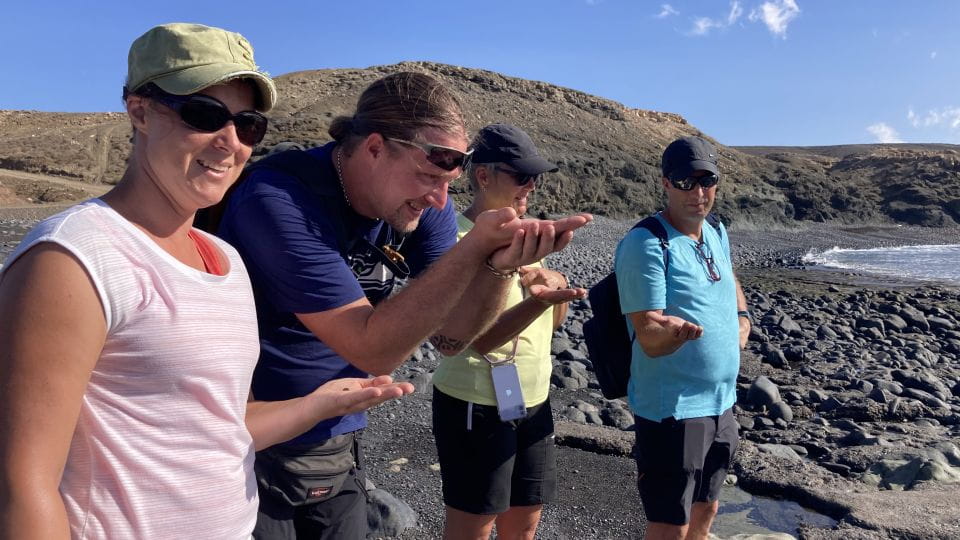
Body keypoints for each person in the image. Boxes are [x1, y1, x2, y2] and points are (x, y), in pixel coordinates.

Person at [0, 23, 412, 540]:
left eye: (248, 125)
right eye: (204, 114)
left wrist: (321, 403)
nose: (230, 141)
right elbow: (22, 487)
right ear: (139, 111)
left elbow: (216, 428)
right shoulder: (73, 259)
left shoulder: (224, 260)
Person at [216, 75, 592, 539]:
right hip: (246, 442)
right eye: (430, 178)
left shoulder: (423, 206)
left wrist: (496, 269)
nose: (439, 199)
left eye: (448, 183)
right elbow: (371, 349)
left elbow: (452, 340)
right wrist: (473, 249)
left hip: (338, 434)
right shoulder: (280, 200)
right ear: (374, 147)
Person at [431, 124, 585, 540]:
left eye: (535, 178)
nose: (530, 187)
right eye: (521, 176)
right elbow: (477, 338)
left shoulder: (529, 237)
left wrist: (553, 285)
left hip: (531, 397)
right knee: (474, 525)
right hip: (475, 400)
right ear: (483, 176)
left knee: (526, 518)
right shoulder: (453, 240)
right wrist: (539, 298)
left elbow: (551, 325)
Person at [614, 136, 750, 540]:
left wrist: (742, 316)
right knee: (670, 522)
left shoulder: (716, 232)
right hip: (672, 410)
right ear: (666, 184)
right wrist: (674, 336)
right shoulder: (646, 243)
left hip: (722, 402)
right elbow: (649, 335)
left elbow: (730, 275)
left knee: (708, 506)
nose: (698, 192)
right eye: (685, 181)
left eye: (706, 180)